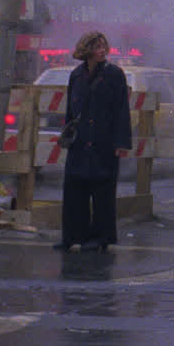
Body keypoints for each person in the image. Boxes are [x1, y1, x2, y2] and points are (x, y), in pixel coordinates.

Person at [52, 30, 130, 252]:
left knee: (103, 192)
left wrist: (121, 142)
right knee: (74, 189)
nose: (102, 51)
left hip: (103, 140)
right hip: (80, 140)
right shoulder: (76, 75)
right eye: (97, 47)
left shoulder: (115, 75)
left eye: (104, 46)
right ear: (87, 50)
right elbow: (70, 110)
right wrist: (67, 136)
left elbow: (122, 110)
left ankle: (101, 237)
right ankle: (72, 236)